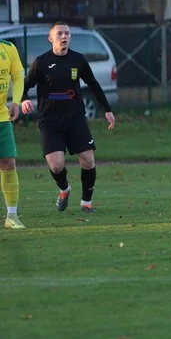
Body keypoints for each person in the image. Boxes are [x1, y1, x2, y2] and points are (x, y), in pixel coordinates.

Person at [21, 22, 115, 215]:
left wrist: (107, 109)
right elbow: (25, 85)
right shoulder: (41, 62)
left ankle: (86, 203)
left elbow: (94, 84)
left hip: (75, 119)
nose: (64, 37)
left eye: (67, 34)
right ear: (51, 38)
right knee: (56, 165)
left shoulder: (78, 60)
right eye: (59, 34)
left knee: (88, 160)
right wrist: (22, 100)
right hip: (50, 122)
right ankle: (64, 190)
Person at [0, 38, 24, 228]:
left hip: (1, 116)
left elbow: (17, 76)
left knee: (8, 163)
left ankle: (12, 216)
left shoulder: (8, 48)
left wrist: (15, 101)